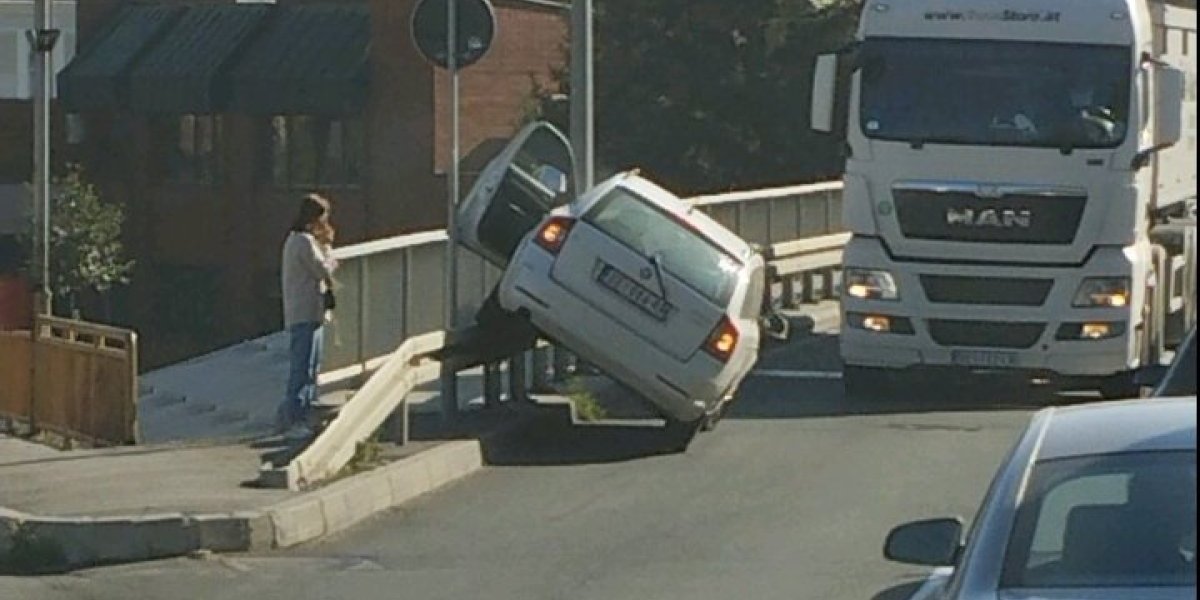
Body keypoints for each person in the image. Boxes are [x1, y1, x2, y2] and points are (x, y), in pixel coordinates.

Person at [277, 193, 339, 438]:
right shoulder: (302, 241)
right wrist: (330, 254)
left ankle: (304, 415)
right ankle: (294, 418)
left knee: (311, 368)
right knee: (302, 368)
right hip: (304, 311)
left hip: (310, 311)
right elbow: (322, 268)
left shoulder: (300, 241)